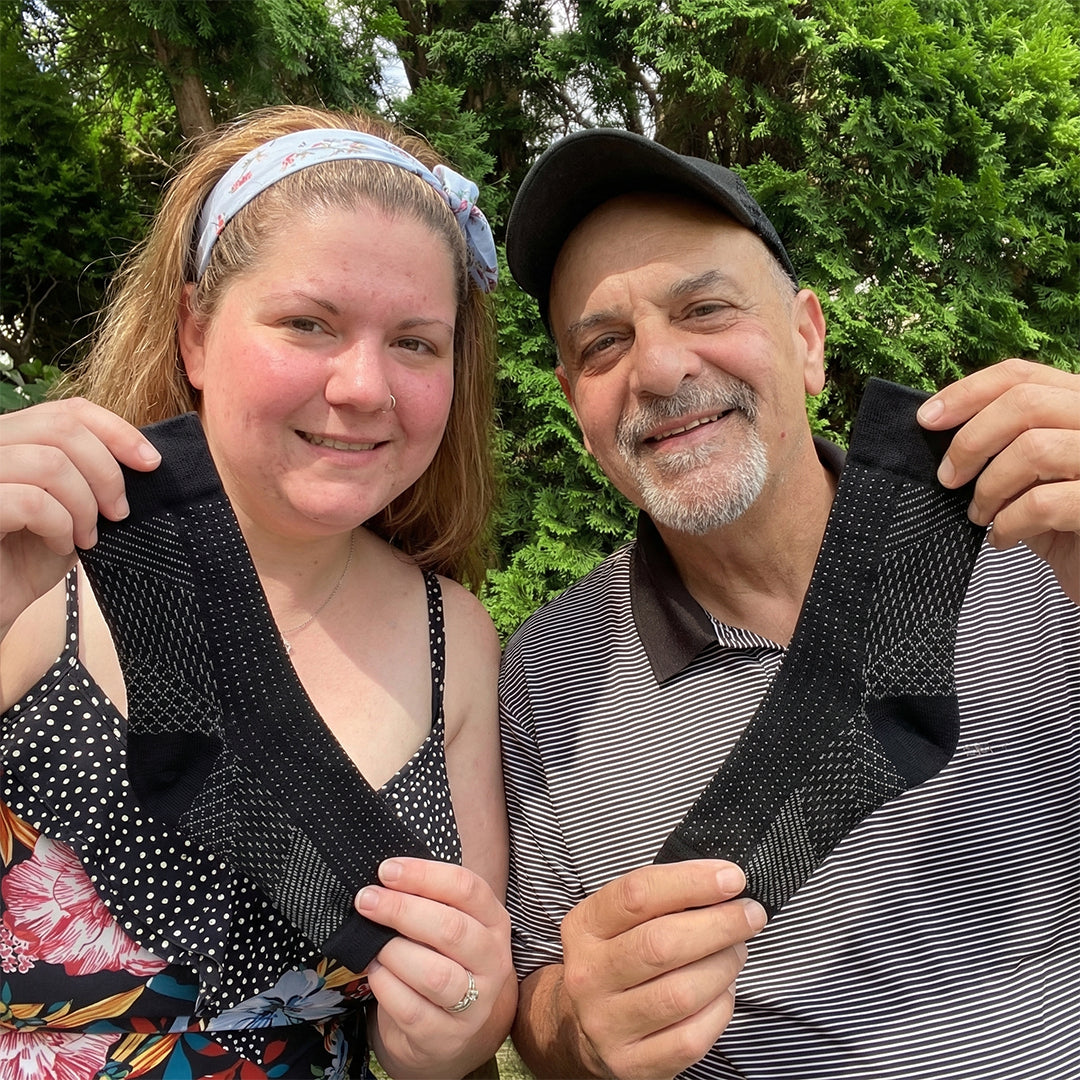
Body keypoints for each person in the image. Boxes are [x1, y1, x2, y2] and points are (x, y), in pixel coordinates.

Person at [499, 128, 1080, 1080]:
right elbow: (539, 994)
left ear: (807, 339)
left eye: (705, 308)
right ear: (576, 406)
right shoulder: (544, 675)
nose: (660, 370)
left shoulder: (1032, 535)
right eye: (604, 344)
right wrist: (579, 1029)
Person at [0, 106, 516, 1079]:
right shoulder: (39, 569)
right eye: (308, 324)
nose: (363, 386)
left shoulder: (454, 635)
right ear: (195, 332)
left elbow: (441, 1025)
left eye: (416, 343)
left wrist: (453, 1028)